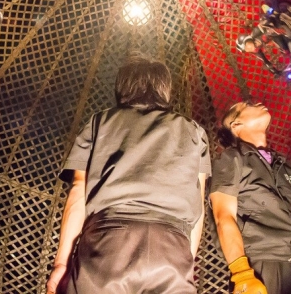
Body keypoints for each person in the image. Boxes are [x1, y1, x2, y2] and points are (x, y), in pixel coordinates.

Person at [46, 53, 212, 294]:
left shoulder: (98, 123)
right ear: (165, 89)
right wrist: (187, 261)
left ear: (122, 86)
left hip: (107, 245)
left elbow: (78, 195)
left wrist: (61, 263)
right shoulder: (195, 131)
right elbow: (198, 208)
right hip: (173, 248)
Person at [209, 101, 291, 294]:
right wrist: (242, 274)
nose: (258, 102)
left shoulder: (286, 166)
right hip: (262, 267)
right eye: (248, 104)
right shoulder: (232, 159)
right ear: (236, 125)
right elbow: (223, 216)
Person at [236, 2, 291, 74]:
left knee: (286, 32)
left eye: (247, 47)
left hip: (279, 23)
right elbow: (266, 62)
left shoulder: (255, 32)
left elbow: (266, 22)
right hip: (276, 35)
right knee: (285, 48)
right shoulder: (256, 50)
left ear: (247, 40)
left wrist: (271, 28)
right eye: (246, 50)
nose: (249, 50)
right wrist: (275, 72)